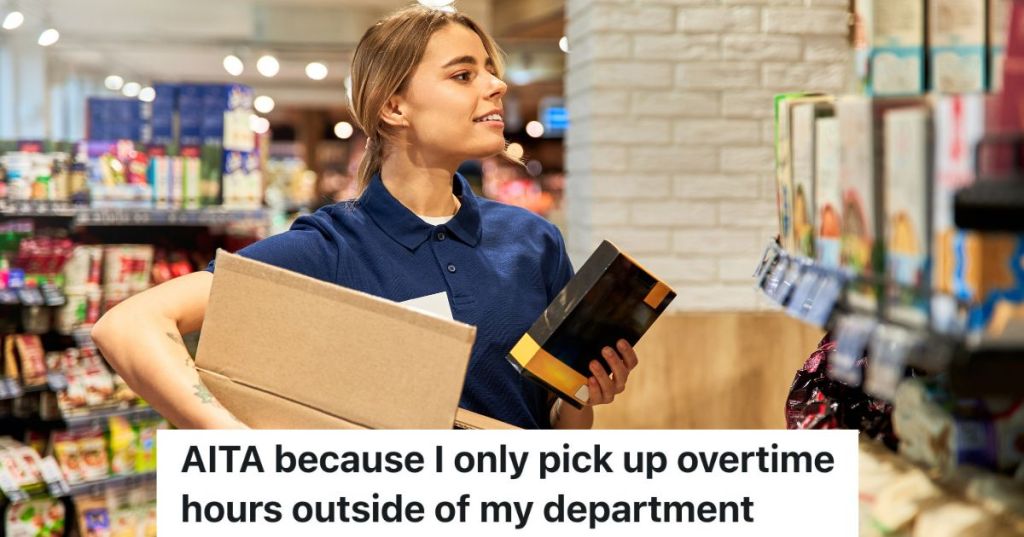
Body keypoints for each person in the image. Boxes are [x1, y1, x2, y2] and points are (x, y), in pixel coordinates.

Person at [91, 4, 640, 430]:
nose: (496, 85)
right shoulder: (327, 247)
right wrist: (233, 440)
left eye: (490, 72)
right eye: (463, 75)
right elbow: (128, 325)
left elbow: (554, 426)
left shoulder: (533, 240)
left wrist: (582, 393)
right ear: (393, 107)